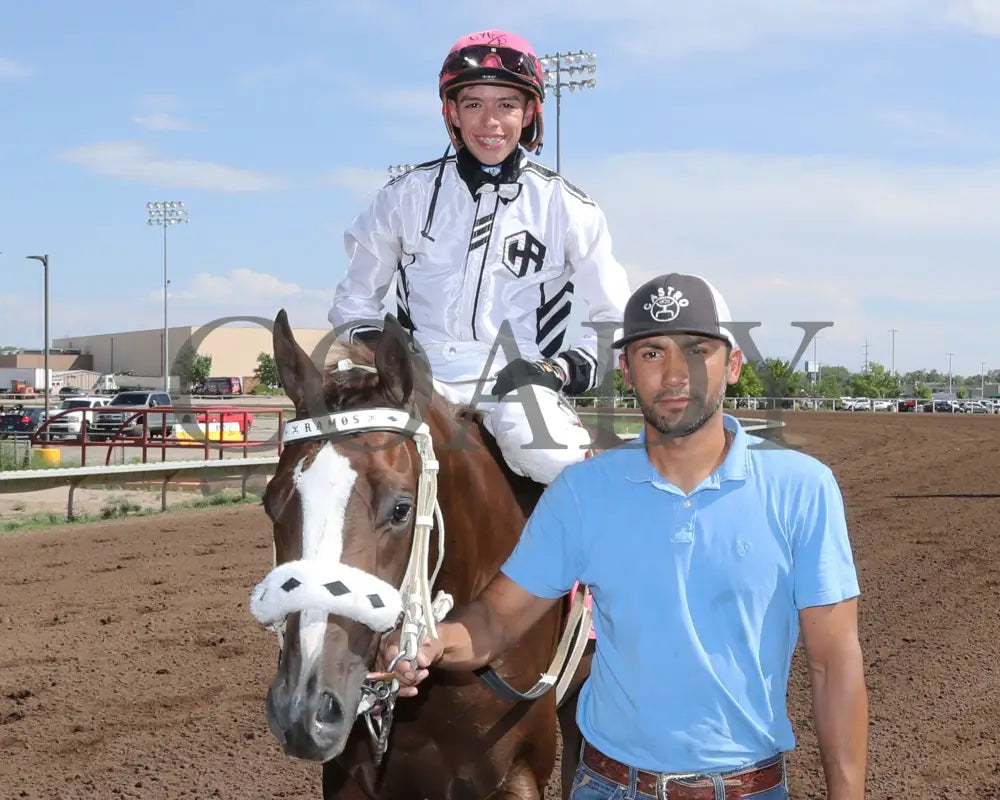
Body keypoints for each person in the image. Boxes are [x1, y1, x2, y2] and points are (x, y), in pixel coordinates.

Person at [384, 273, 869, 799]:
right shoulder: (583, 492)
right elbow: (496, 618)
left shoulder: (802, 489)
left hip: (747, 788)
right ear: (626, 372)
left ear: (732, 366)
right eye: (652, 353)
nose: (675, 374)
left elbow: (833, 664)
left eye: (697, 350)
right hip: (609, 786)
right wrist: (431, 643)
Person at [328, 29, 631, 485]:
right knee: (324, 461)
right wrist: (385, 355)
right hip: (418, 377)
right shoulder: (402, 197)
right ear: (451, 111)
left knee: (559, 464)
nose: (490, 121)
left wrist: (560, 369)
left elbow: (616, 318)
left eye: (506, 105)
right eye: (474, 104)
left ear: (529, 112)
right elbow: (353, 304)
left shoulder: (567, 207)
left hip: (518, 377)